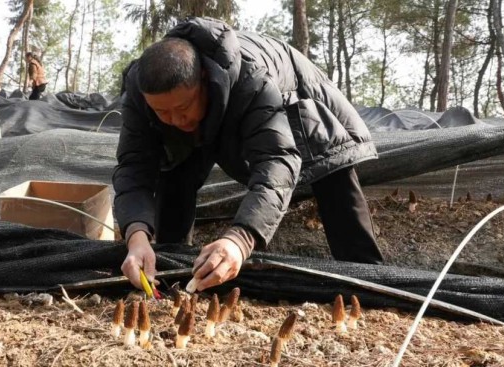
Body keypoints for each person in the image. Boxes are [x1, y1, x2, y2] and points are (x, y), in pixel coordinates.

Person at [113, 17, 384, 293]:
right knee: (173, 168)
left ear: (204, 79)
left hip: (302, 105)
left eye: (182, 107)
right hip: (220, 104)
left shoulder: (252, 81)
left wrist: (239, 241)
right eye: (162, 112)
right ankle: (176, 277)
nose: (175, 120)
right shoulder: (140, 92)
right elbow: (134, 167)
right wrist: (136, 236)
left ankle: (374, 285)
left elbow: (275, 163)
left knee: (334, 177)